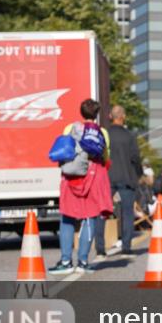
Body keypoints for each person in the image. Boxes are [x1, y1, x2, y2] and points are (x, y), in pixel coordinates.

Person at [50, 99, 113, 274]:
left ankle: (65, 261)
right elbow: (106, 157)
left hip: (72, 177)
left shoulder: (69, 128)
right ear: (97, 114)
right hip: (93, 177)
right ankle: (83, 261)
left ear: (81, 112)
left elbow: (64, 150)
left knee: (68, 217)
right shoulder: (103, 133)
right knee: (89, 217)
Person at [104, 105, 142, 257]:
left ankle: (100, 247)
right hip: (127, 178)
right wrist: (138, 174)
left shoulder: (105, 135)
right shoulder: (130, 136)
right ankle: (126, 246)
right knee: (127, 213)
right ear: (123, 116)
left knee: (103, 212)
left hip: (107, 178)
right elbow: (135, 158)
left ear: (109, 116)